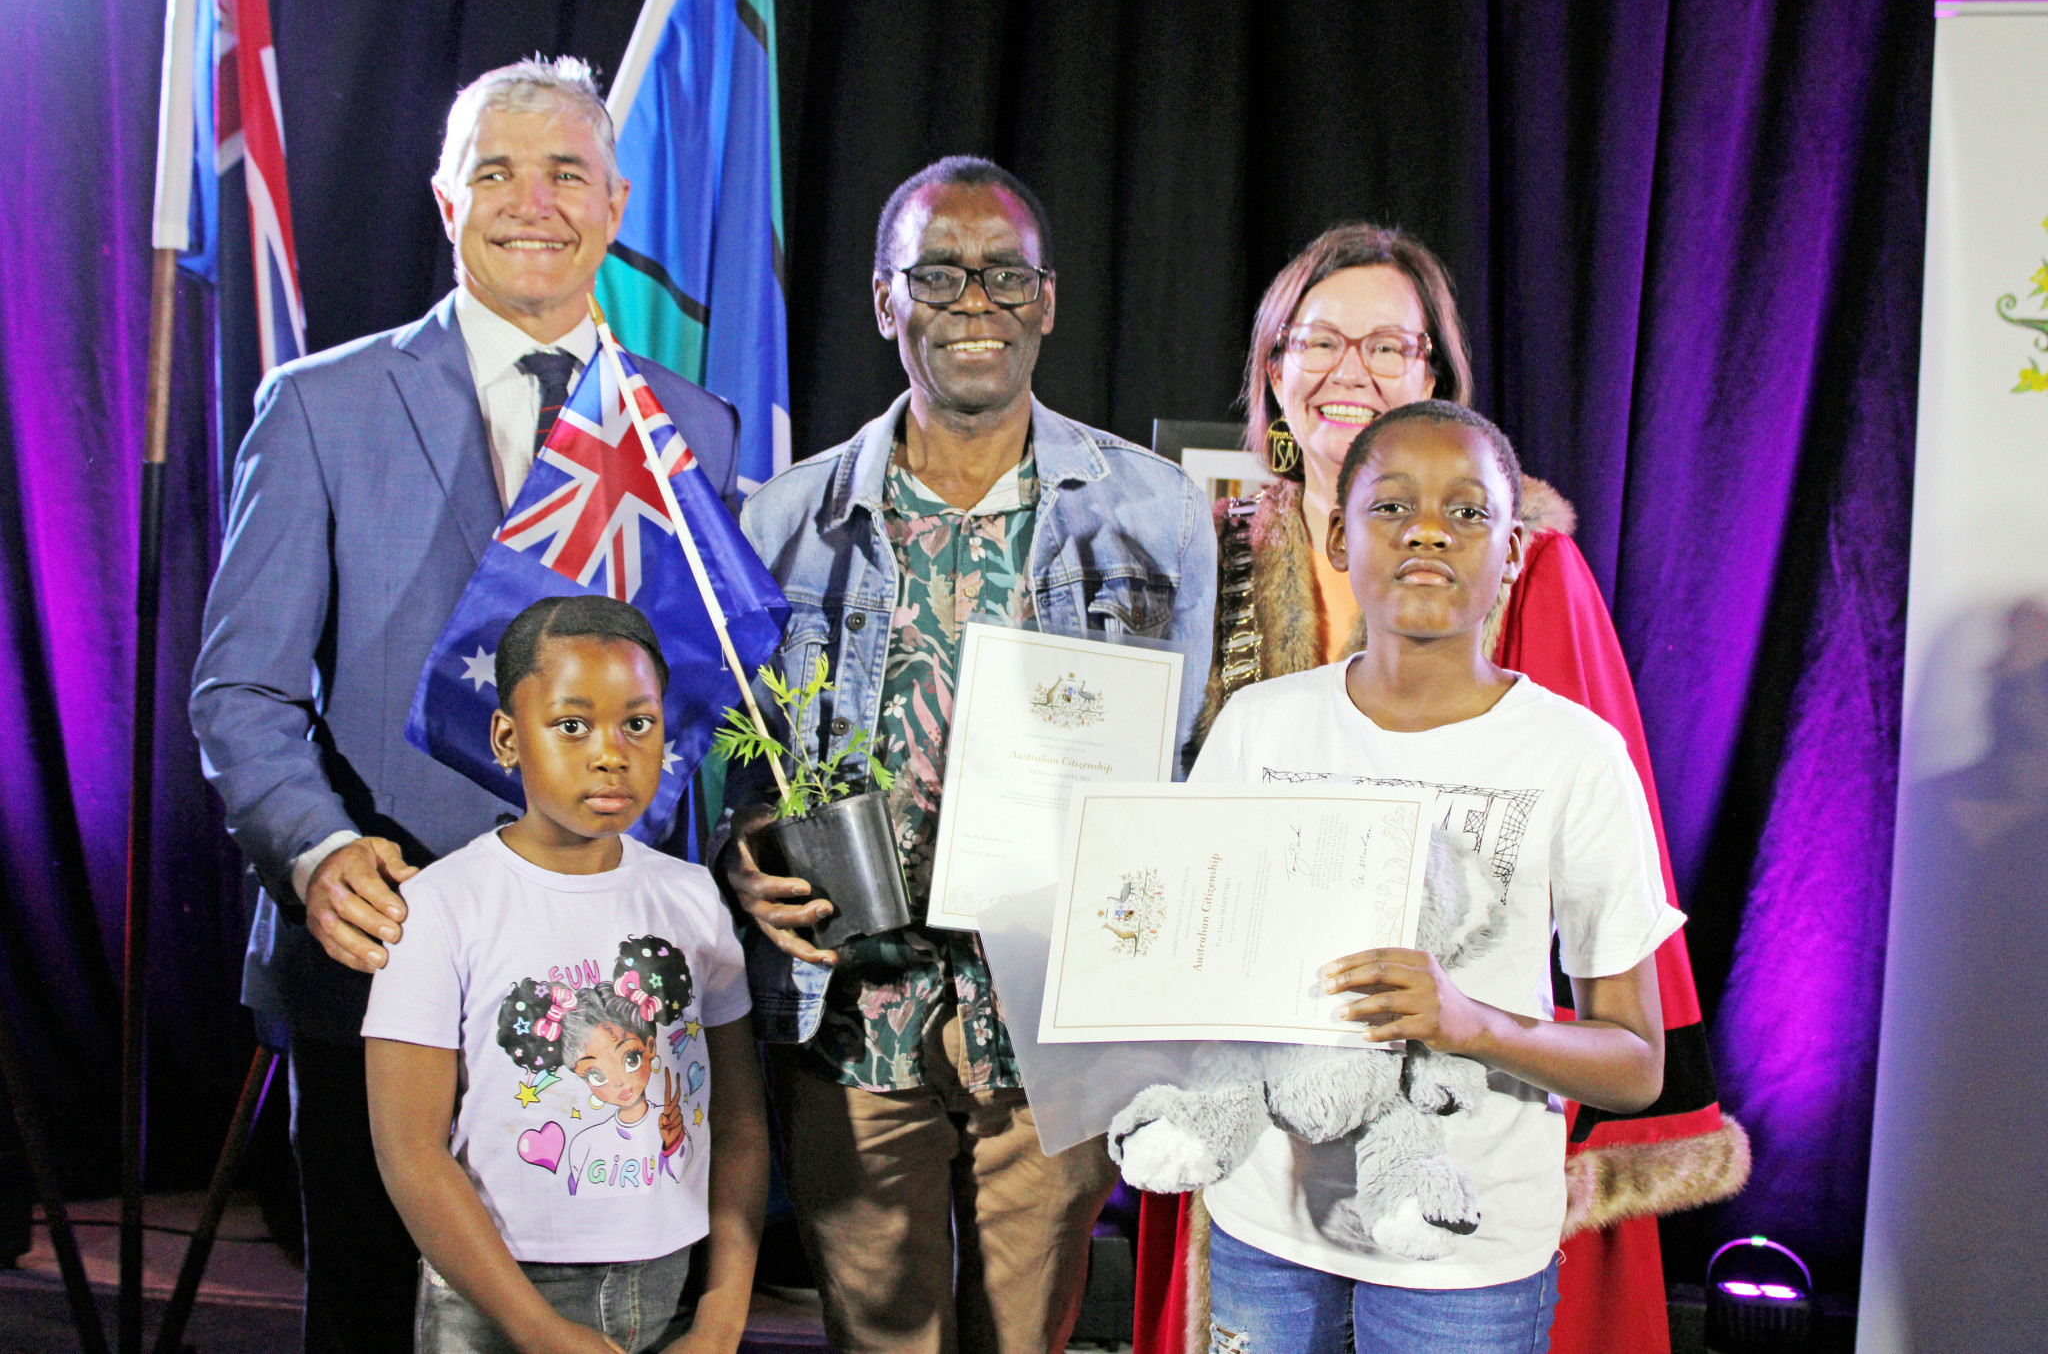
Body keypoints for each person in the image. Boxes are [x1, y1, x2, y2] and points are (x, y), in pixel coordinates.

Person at [188, 58, 742, 1353]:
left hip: (608, 995)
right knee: (380, 1325)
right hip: (388, 963)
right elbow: (242, 690)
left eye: (564, 174)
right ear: (447, 202)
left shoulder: (691, 430)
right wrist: (318, 851)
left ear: (615, 204)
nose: (529, 201)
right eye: (494, 170)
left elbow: (702, 712)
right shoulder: (319, 407)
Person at [1133, 224, 1746, 1354]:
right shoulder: (1201, 550)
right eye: (1317, 341)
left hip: (1461, 1151)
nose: (1348, 371)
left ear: (1431, 371)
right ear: (1271, 369)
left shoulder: (1524, 564)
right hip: (1265, 1152)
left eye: (1386, 345)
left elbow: (1601, 901)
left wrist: (1492, 1038)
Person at [717, 156, 1217, 1354]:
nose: (972, 302)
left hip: (1049, 1013)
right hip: (852, 1015)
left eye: (1003, 276)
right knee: (878, 1331)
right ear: (886, 302)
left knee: (1025, 1336)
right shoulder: (779, 523)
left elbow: (1186, 762)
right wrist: (744, 859)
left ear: (1046, 301)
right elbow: (743, 772)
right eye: (936, 274)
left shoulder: (1155, 514)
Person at [1189, 400, 1679, 1352]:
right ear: (1338, 533)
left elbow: (1635, 1063)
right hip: (1266, 1227)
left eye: (1467, 511)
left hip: (1465, 1249)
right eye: (1391, 506)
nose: (1427, 530)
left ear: (1515, 549)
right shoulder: (1261, 726)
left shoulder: (1575, 756)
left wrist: (1472, 1023)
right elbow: (1192, 957)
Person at [365, 596, 765, 1354]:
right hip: (499, 1296)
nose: (609, 751)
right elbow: (408, 1150)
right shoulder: (441, 906)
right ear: (508, 738)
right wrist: (537, 1329)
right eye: (572, 724)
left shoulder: (690, 898)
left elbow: (740, 1121)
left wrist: (720, 1316)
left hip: (670, 1283)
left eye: (637, 723)